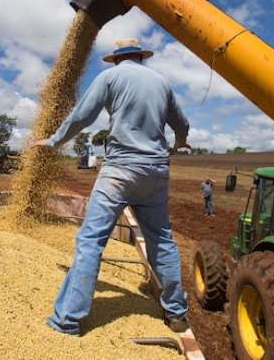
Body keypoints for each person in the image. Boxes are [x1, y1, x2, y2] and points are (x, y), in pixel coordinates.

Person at [30, 38, 191, 336]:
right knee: (162, 241)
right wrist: (180, 142)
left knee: (91, 241)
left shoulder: (110, 77)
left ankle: (68, 320)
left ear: (116, 59)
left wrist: (53, 140)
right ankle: (177, 313)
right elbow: (182, 124)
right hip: (155, 172)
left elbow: (83, 115)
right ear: (141, 57)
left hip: (120, 170)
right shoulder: (162, 83)